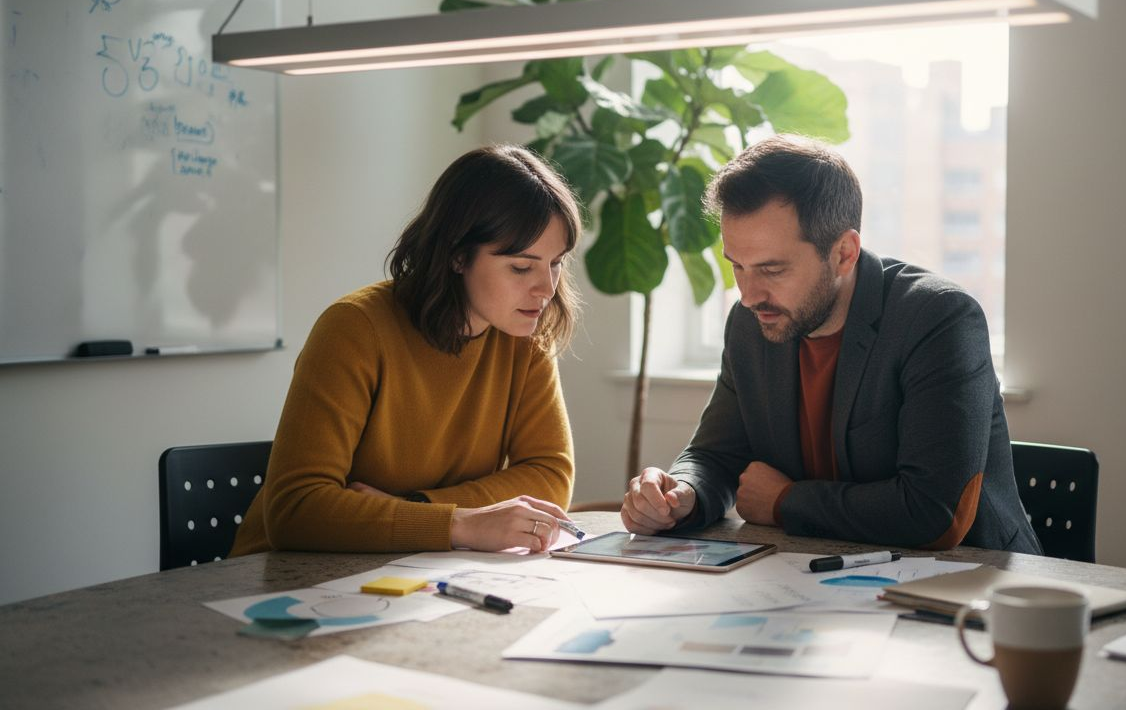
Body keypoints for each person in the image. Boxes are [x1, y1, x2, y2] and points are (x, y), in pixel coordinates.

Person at [621, 135, 1040, 553]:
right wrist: (681, 495)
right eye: (738, 267)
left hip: (971, 587)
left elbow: (934, 514)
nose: (748, 295)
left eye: (772, 269)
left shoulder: (939, 319)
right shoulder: (752, 323)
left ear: (843, 253)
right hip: (815, 579)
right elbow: (716, 455)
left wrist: (786, 501)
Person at [232, 145, 582, 556]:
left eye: (555, 263)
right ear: (456, 256)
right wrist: (460, 523)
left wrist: (416, 509)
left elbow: (550, 475)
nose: (546, 289)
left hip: (413, 568)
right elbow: (296, 509)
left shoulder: (526, 337)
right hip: (281, 578)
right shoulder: (354, 329)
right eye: (522, 267)